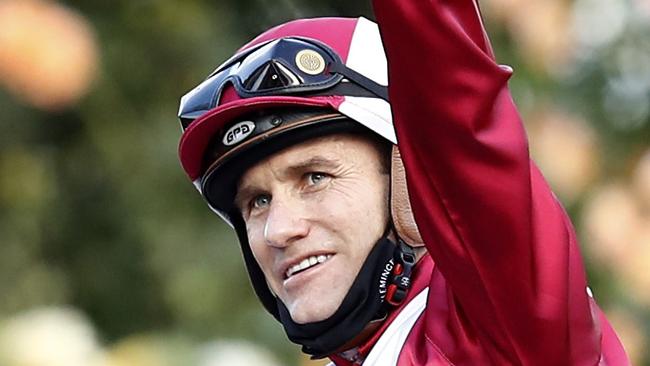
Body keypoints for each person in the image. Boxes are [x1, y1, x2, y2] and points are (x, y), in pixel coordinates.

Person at [176, 0, 630, 364]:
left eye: (315, 177)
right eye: (257, 202)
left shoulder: (503, 323)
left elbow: (459, 116)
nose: (279, 230)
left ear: (412, 180)